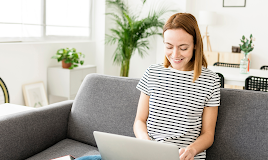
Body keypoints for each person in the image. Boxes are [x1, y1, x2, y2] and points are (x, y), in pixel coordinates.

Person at [76, 12, 220, 160]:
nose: (175, 54)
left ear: (196, 44)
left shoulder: (210, 81)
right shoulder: (152, 72)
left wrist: (191, 150)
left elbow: (208, 135)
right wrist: (144, 143)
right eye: (169, 46)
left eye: (183, 48)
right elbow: (140, 120)